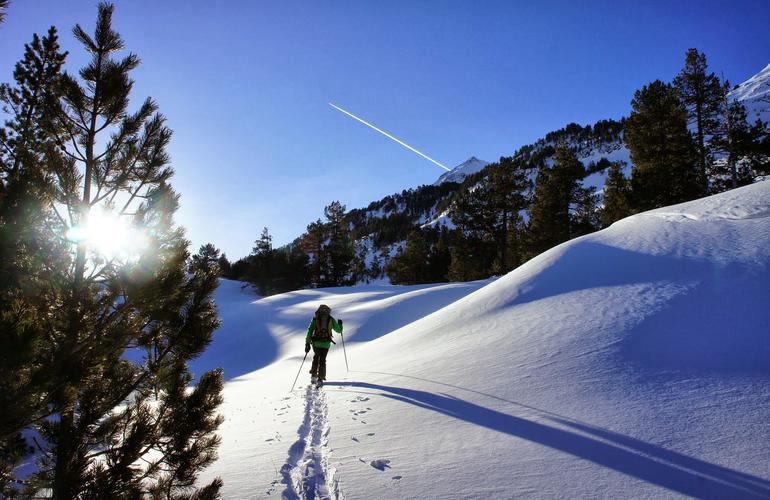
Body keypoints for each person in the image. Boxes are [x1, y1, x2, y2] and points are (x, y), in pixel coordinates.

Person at [305, 304, 343, 387]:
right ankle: (320, 379)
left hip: (316, 343)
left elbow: (310, 331)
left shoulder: (315, 319)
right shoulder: (330, 319)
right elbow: (338, 330)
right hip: (326, 344)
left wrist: (307, 343)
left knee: (316, 357)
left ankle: (313, 376)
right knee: (322, 360)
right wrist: (340, 324)